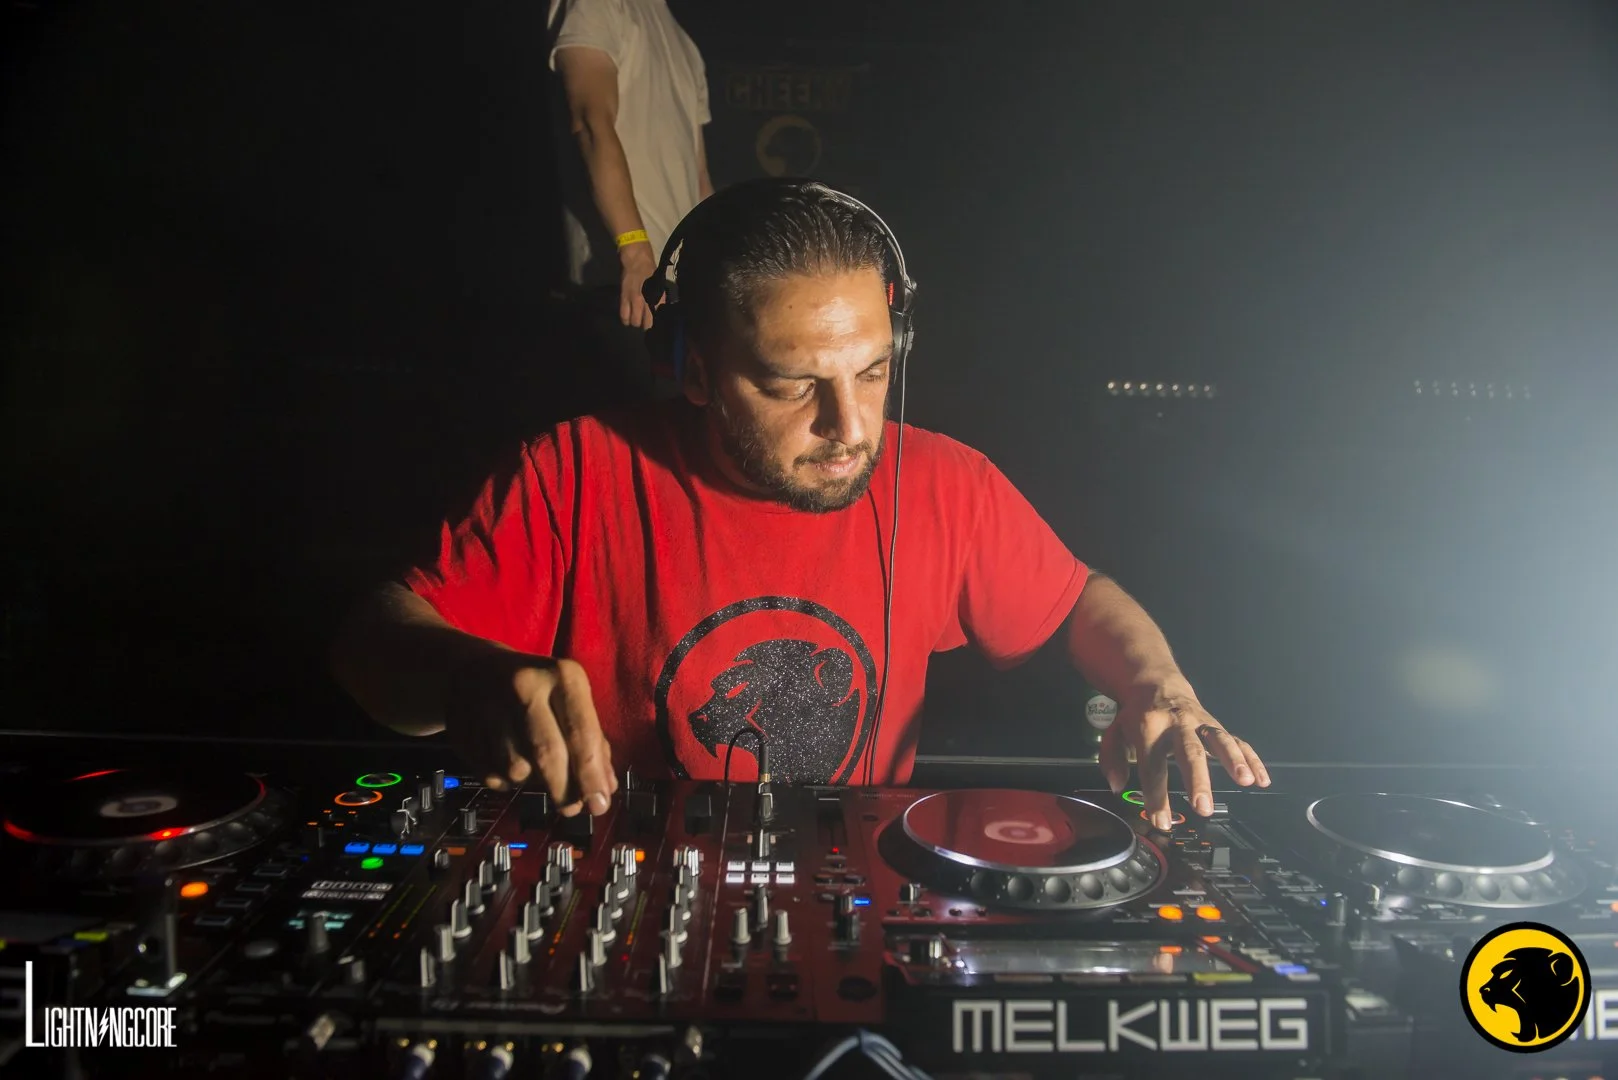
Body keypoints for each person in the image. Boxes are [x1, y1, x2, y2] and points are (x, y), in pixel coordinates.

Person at [329, 180, 1270, 832]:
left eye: (872, 372)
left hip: (854, 890)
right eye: (792, 384)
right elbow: (374, 641)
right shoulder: (575, 471)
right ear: (693, 372)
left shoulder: (943, 482)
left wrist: (1159, 688)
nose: (849, 424)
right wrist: (467, 676)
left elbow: (1075, 602)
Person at [547, 0, 713, 401]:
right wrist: (635, 252)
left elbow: (698, 177)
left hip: (674, 293)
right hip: (623, 284)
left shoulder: (681, 39)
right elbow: (590, 123)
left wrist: (712, 273)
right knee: (619, 448)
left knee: (675, 446)